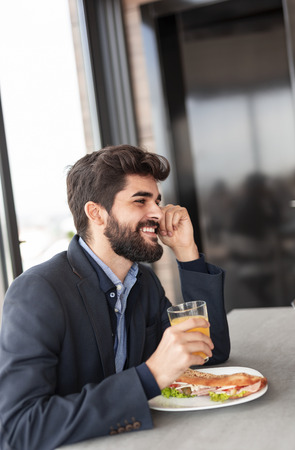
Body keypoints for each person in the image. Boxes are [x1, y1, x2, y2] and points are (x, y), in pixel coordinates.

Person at [0, 145, 230, 449]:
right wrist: (150, 375)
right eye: (140, 201)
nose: (158, 213)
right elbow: (17, 430)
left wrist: (187, 253)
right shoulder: (38, 292)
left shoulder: (143, 281)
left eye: (157, 201)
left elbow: (207, 352)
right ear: (96, 213)